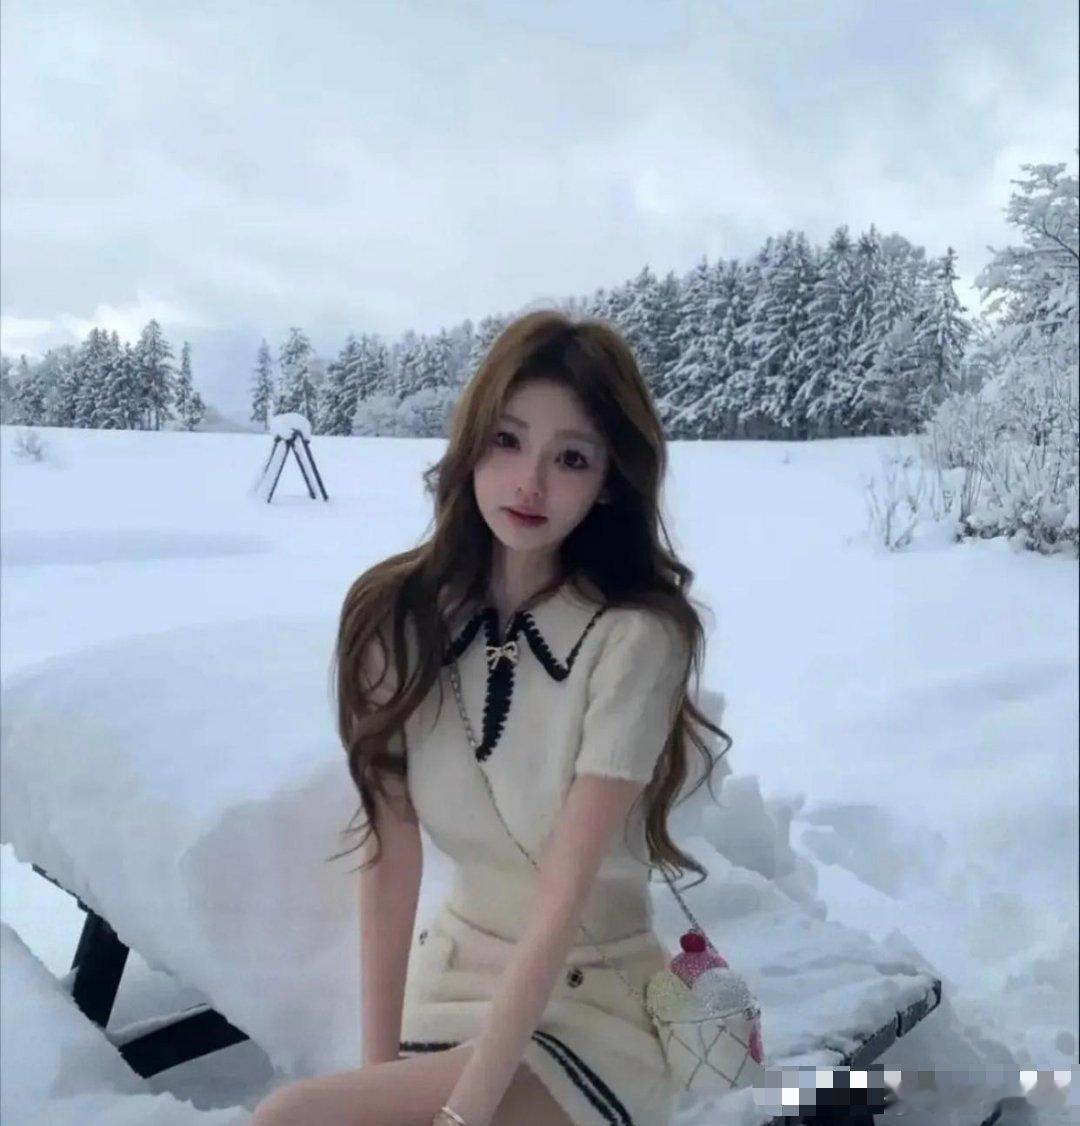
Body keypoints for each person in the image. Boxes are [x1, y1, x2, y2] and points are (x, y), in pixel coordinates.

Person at [250, 310, 731, 1126]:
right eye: (507, 441)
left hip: (593, 999)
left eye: (570, 458)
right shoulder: (398, 619)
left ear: (609, 481)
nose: (530, 483)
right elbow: (389, 860)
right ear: (470, 443)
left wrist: (460, 1118)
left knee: (288, 1118)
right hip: (455, 981)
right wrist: (379, 1078)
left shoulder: (635, 640)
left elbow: (564, 897)